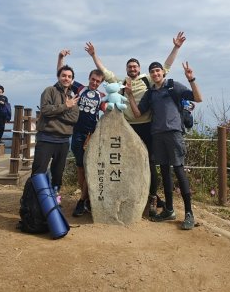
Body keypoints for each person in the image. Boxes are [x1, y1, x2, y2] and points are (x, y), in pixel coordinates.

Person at [85, 31, 186, 217]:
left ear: (139, 69)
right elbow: (105, 72)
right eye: (130, 66)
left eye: (135, 66)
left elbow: (167, 66)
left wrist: (176, 47)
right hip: (128, 127)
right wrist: (93, 56)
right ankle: (130, 195)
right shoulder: (121, 83)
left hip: (148, 126)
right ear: (127, 69)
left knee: (151, 162)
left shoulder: (147, 79)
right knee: (127, 163)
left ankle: (152, 197)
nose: (132, 69)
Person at [125, 61, 203, 230]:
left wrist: (191, 79)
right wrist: (130, 96)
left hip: (174, 133)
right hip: (157, 135)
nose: (155, 73)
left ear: (163, 73)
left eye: (157, 70)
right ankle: (169, 209)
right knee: (165, 171)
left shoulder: (173, 86)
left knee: (179, 170)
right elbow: (138, 113)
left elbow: (198, 98)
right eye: (152, 71)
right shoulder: (150, 93)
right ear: (150, 75)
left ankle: (189, 212)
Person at [56, 49, 107, 217]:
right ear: (89, 78)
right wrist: (61, 58)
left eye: (98, 81)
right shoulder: (80, 88)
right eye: (93, 79)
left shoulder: (101, 96)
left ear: (100, 83)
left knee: (90, 167)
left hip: (92, 134)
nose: (94, 83)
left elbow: (108, 109)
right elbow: (63, 76)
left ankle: (83, 200)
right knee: (80, 167)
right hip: (77, 132)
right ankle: (85, 199)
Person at [30, 65, 80, 205]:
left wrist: (56, 114)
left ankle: (54, 199)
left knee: (58, 174)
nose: (66, 78)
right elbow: (45, 110)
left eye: (69, 76)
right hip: (46, 137)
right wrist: (65, 107)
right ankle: (33, 201)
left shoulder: (72, 96)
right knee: (38, 171)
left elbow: (74, 118)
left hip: (64, 141)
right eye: (64, 75)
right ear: (58, 76)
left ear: (72, 79)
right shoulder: (50, 91)